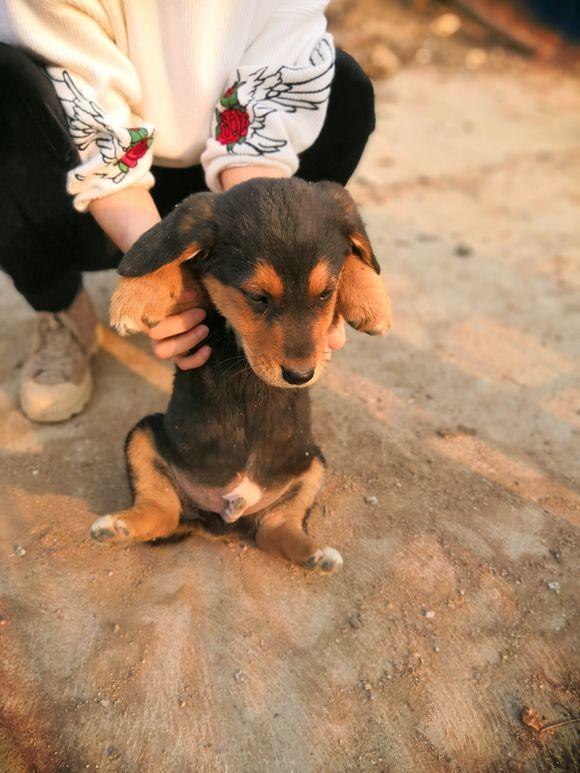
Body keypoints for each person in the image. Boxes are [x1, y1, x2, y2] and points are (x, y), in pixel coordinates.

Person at [0, 0, 375, 422]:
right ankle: (61, 307)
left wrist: (273, 249)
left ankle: (293, 276)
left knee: (346, 85)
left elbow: (259, 133)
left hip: (233, 177)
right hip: (89, 183)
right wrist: (159, 265)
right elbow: (101, 143)